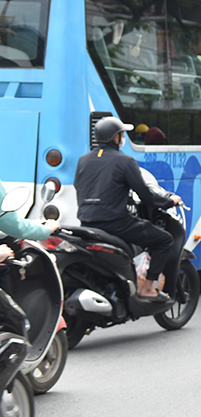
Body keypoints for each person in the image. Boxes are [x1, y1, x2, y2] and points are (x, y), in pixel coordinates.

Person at [74, 116, 183, 298]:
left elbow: (80, 187)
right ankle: (147, 288)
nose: (122, 138)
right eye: (122, 134)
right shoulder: (125, 161)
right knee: (164, 240)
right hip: (116, 223)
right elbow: (146, 195)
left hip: (86, 223)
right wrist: (169, 201)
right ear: (116, 138)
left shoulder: (83, 160)